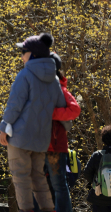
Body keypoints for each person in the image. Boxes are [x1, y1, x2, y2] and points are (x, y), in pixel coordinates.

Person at [0, 33, 66, 212]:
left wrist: (4, 127)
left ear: (33, 54)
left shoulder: (25, 74)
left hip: (20, 138)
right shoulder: (55, 80)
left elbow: (14, 105)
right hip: (41, 139)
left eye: (24, 52)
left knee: (21, 178)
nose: (21, 56)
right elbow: (61, 108)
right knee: (39, 178)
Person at [33, 53, 81, 212]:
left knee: (58, 185)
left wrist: (51, 113)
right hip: (40, 146)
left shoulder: (60, 90)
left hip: (53, 146)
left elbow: (75, 110)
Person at [83, 125, 111, 212]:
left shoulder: (97, 155)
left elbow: (87, 173)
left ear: (104, 140)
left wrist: (96, 183)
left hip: (99, 199)